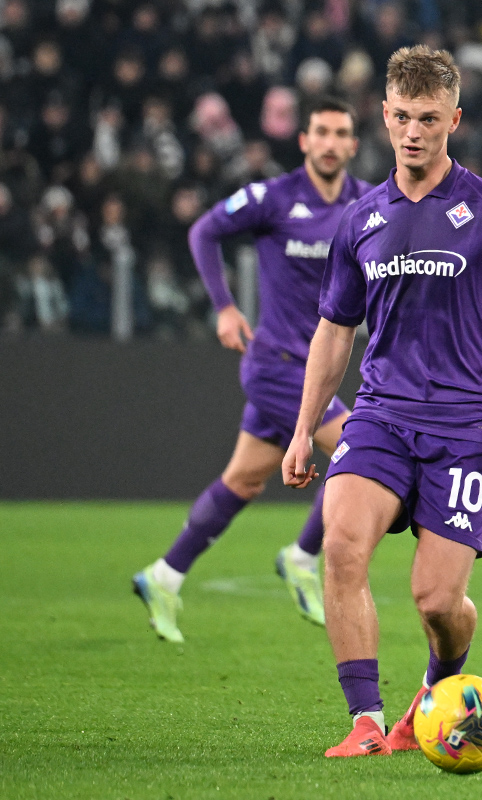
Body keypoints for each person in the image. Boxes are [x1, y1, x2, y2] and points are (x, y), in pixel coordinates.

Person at [282, 46, 482, 758]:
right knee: (342, 548)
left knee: (438, 601)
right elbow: (334, 332)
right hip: (381, 415)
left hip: (468, 425)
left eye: (428, 119)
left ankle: (437, 686)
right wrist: (301, 429)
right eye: (402, 117)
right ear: (383, 116)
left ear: (454, 121)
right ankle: (366, 723)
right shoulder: (361, 222)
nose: (412, 131)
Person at [132, 98, 374, 644]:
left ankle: (163, 575)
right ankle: (302, 555)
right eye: (322, 132)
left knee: (242, 480)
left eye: (341, 133)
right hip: (276, 365)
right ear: (304, 141)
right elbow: (202, 232)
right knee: (362, 452)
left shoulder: (366, 204)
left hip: (317, 370)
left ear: (353, 145)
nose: (331, 142)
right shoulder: (273, 197)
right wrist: (222, 305)